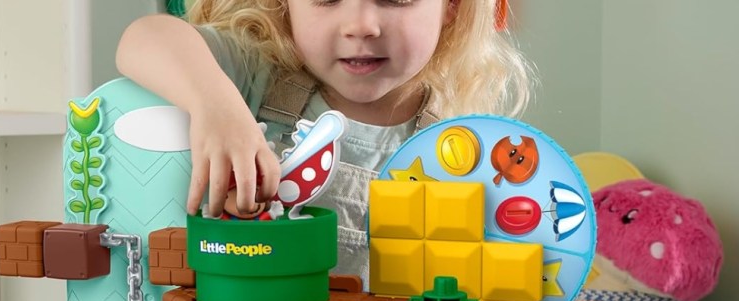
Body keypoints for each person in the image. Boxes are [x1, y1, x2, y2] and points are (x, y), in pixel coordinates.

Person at [116, 0, 534, 285]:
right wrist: (217, 105)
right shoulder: (254, 76)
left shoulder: (459, 144)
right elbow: (144, 37)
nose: (362, 26)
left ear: (452, 6)